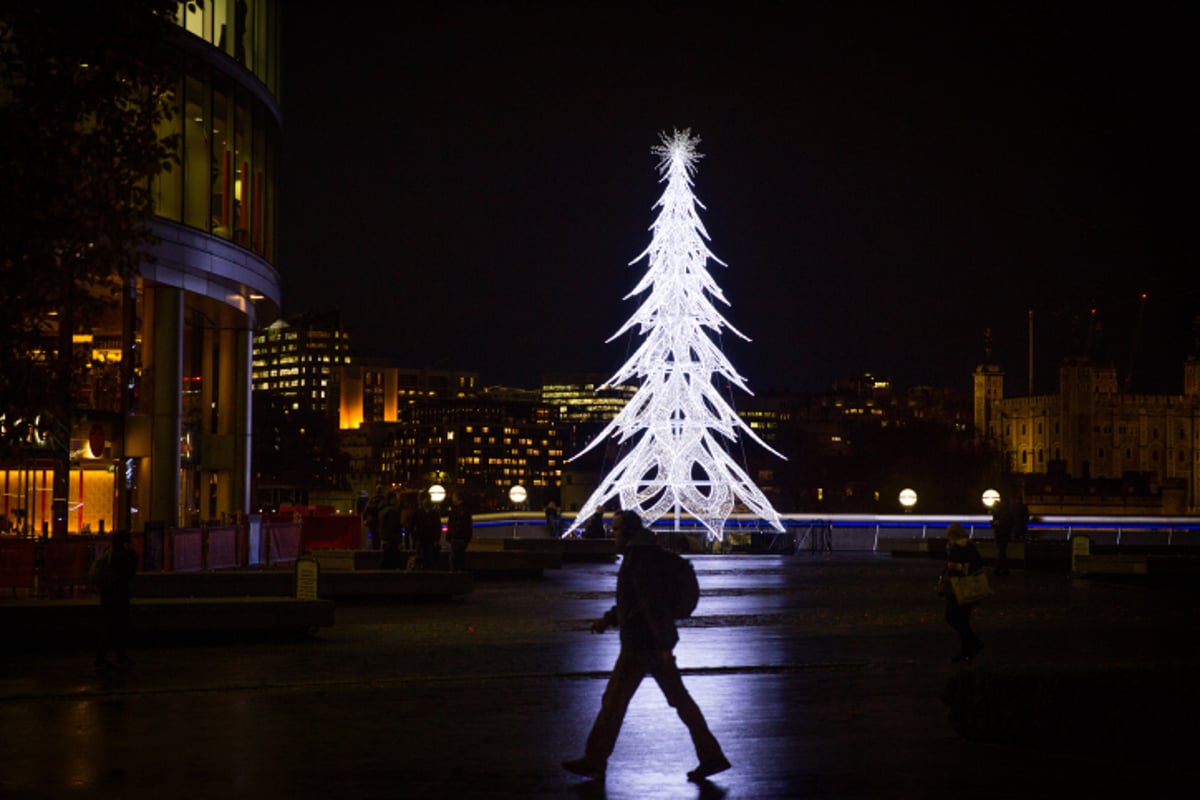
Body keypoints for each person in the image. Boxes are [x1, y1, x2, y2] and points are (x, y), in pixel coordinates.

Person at [563, 510, 730, 783]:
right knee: (678, 701)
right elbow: (636, 604)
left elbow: (652, 606)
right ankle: (711, 756)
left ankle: (594, 761)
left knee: (615, 702)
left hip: (642, 646)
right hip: (649, 643)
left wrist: (664, 645)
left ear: (627, 533)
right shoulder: (640, 557)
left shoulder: (640, 561)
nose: (612, 534)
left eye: (615, 529)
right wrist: (608, 620)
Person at [94, 530, 139, 671]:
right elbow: (130, 571)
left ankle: (104, 657)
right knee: (119, 626)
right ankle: (117, 657)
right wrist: (132, 553)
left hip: (108, 594)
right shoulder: (123, 555)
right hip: (118, 594)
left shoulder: (110, 551)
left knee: (109, 626)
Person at [941, 523, 984, 663]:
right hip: (969, 587)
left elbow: (960, 567)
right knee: (962, 619)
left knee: (952, 617)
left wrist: (954, 567)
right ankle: (968, 651)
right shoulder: (969, 546)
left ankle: (972, 644)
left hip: (958, 587)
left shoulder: (958, 548)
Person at [410, 499, 443, 569]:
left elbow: (412, 525)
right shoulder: (433, 513)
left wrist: (415, 536)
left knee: (425, 555)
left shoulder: (419, 513)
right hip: (425, 537)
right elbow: (438, 527)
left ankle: (425, 567)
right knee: (426, 555)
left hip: (425, 537)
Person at [446, 494, 473, 572]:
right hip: (462, 538)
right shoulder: (465, 510)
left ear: (457, 498)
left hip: (456, 538)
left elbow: (453, 524)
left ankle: (455, 577)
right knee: (460, 559)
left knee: (455, 559)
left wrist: (450, 536)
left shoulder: (456, 511)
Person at [377, 491, 403, 568]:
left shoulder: (383, 510)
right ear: (392, 499)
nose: (397, 500)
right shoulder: (392, 511)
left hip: (385, 540)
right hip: (392, 542)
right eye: (396, 498)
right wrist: (398, 541)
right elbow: (393, 527)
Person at [990, 499, 1013, 575]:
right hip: (1003, 534)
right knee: (1002, 552)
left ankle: (998, 568)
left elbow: (997, 523)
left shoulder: (999, 514)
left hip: (1000, 534)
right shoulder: (1004, 513)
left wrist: (995, 523)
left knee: (1001, 552)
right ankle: (1004, 569)